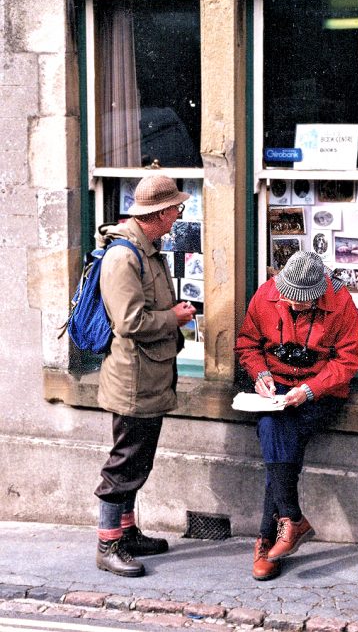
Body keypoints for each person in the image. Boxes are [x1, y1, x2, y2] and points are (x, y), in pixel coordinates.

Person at [234, 251, 358, 581]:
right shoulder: (266, 294)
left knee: (276, 436)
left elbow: (347, 361)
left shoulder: (341, 302)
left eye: (302, 301)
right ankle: (290, 521)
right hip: (275, 389)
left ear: (319, 292)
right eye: (288, 298)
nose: (293, 305)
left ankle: (269, 538)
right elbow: (247, 345)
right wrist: (260, 373)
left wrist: (308, 390)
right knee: (273, 425)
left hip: (319, 392)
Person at [94, 175, 197, 577]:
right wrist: (174, 317)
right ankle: (107, 545)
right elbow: (129, 320)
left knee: (139, 461)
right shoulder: (124, 257)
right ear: (157, 213)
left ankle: (127, 531)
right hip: (133, 381)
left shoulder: (147, 249)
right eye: (175, 209)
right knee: (124, 464)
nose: (177, 216)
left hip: (150, 376)